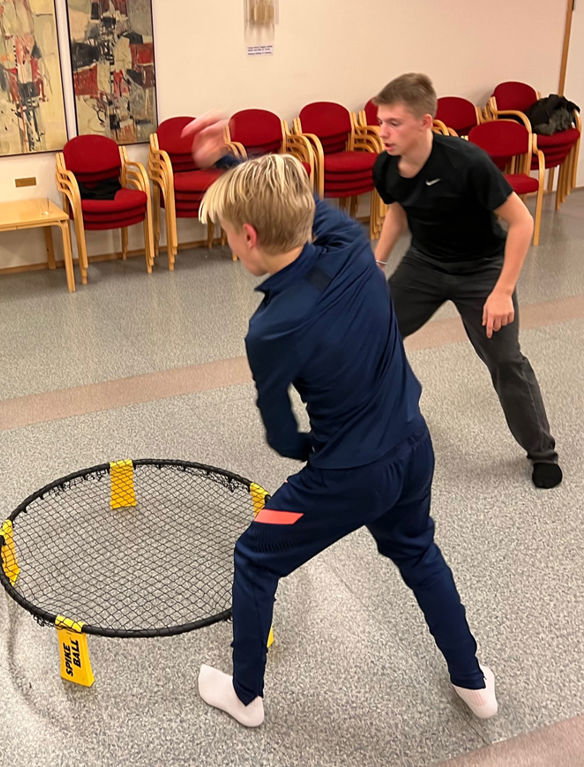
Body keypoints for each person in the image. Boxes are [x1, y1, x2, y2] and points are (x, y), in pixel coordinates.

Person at [181, 117, 496, 728]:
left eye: (227, 234)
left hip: (349, 473)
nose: (228, 243)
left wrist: (312, 452)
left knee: (253, 557)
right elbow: (291, 201)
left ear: (248, 237)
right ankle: (474, 682)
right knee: (418, 552)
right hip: (412, 441)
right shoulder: (349, 242)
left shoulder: (270, 329)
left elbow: (279, 431)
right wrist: (232, 162)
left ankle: (245, 696)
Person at [372, 73, 561, 489]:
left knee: (506, 360)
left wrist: (503, 291)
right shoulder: (386, 163)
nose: (383, 132)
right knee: (372, 338)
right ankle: (398, 411)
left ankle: (542, 451)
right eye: (381, 121)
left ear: (425, 122)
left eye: (394, 123)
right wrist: (379, 260)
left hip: (482, 269)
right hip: (425, 264)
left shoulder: (467, 162)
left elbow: (521, 222)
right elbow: (400, 210)